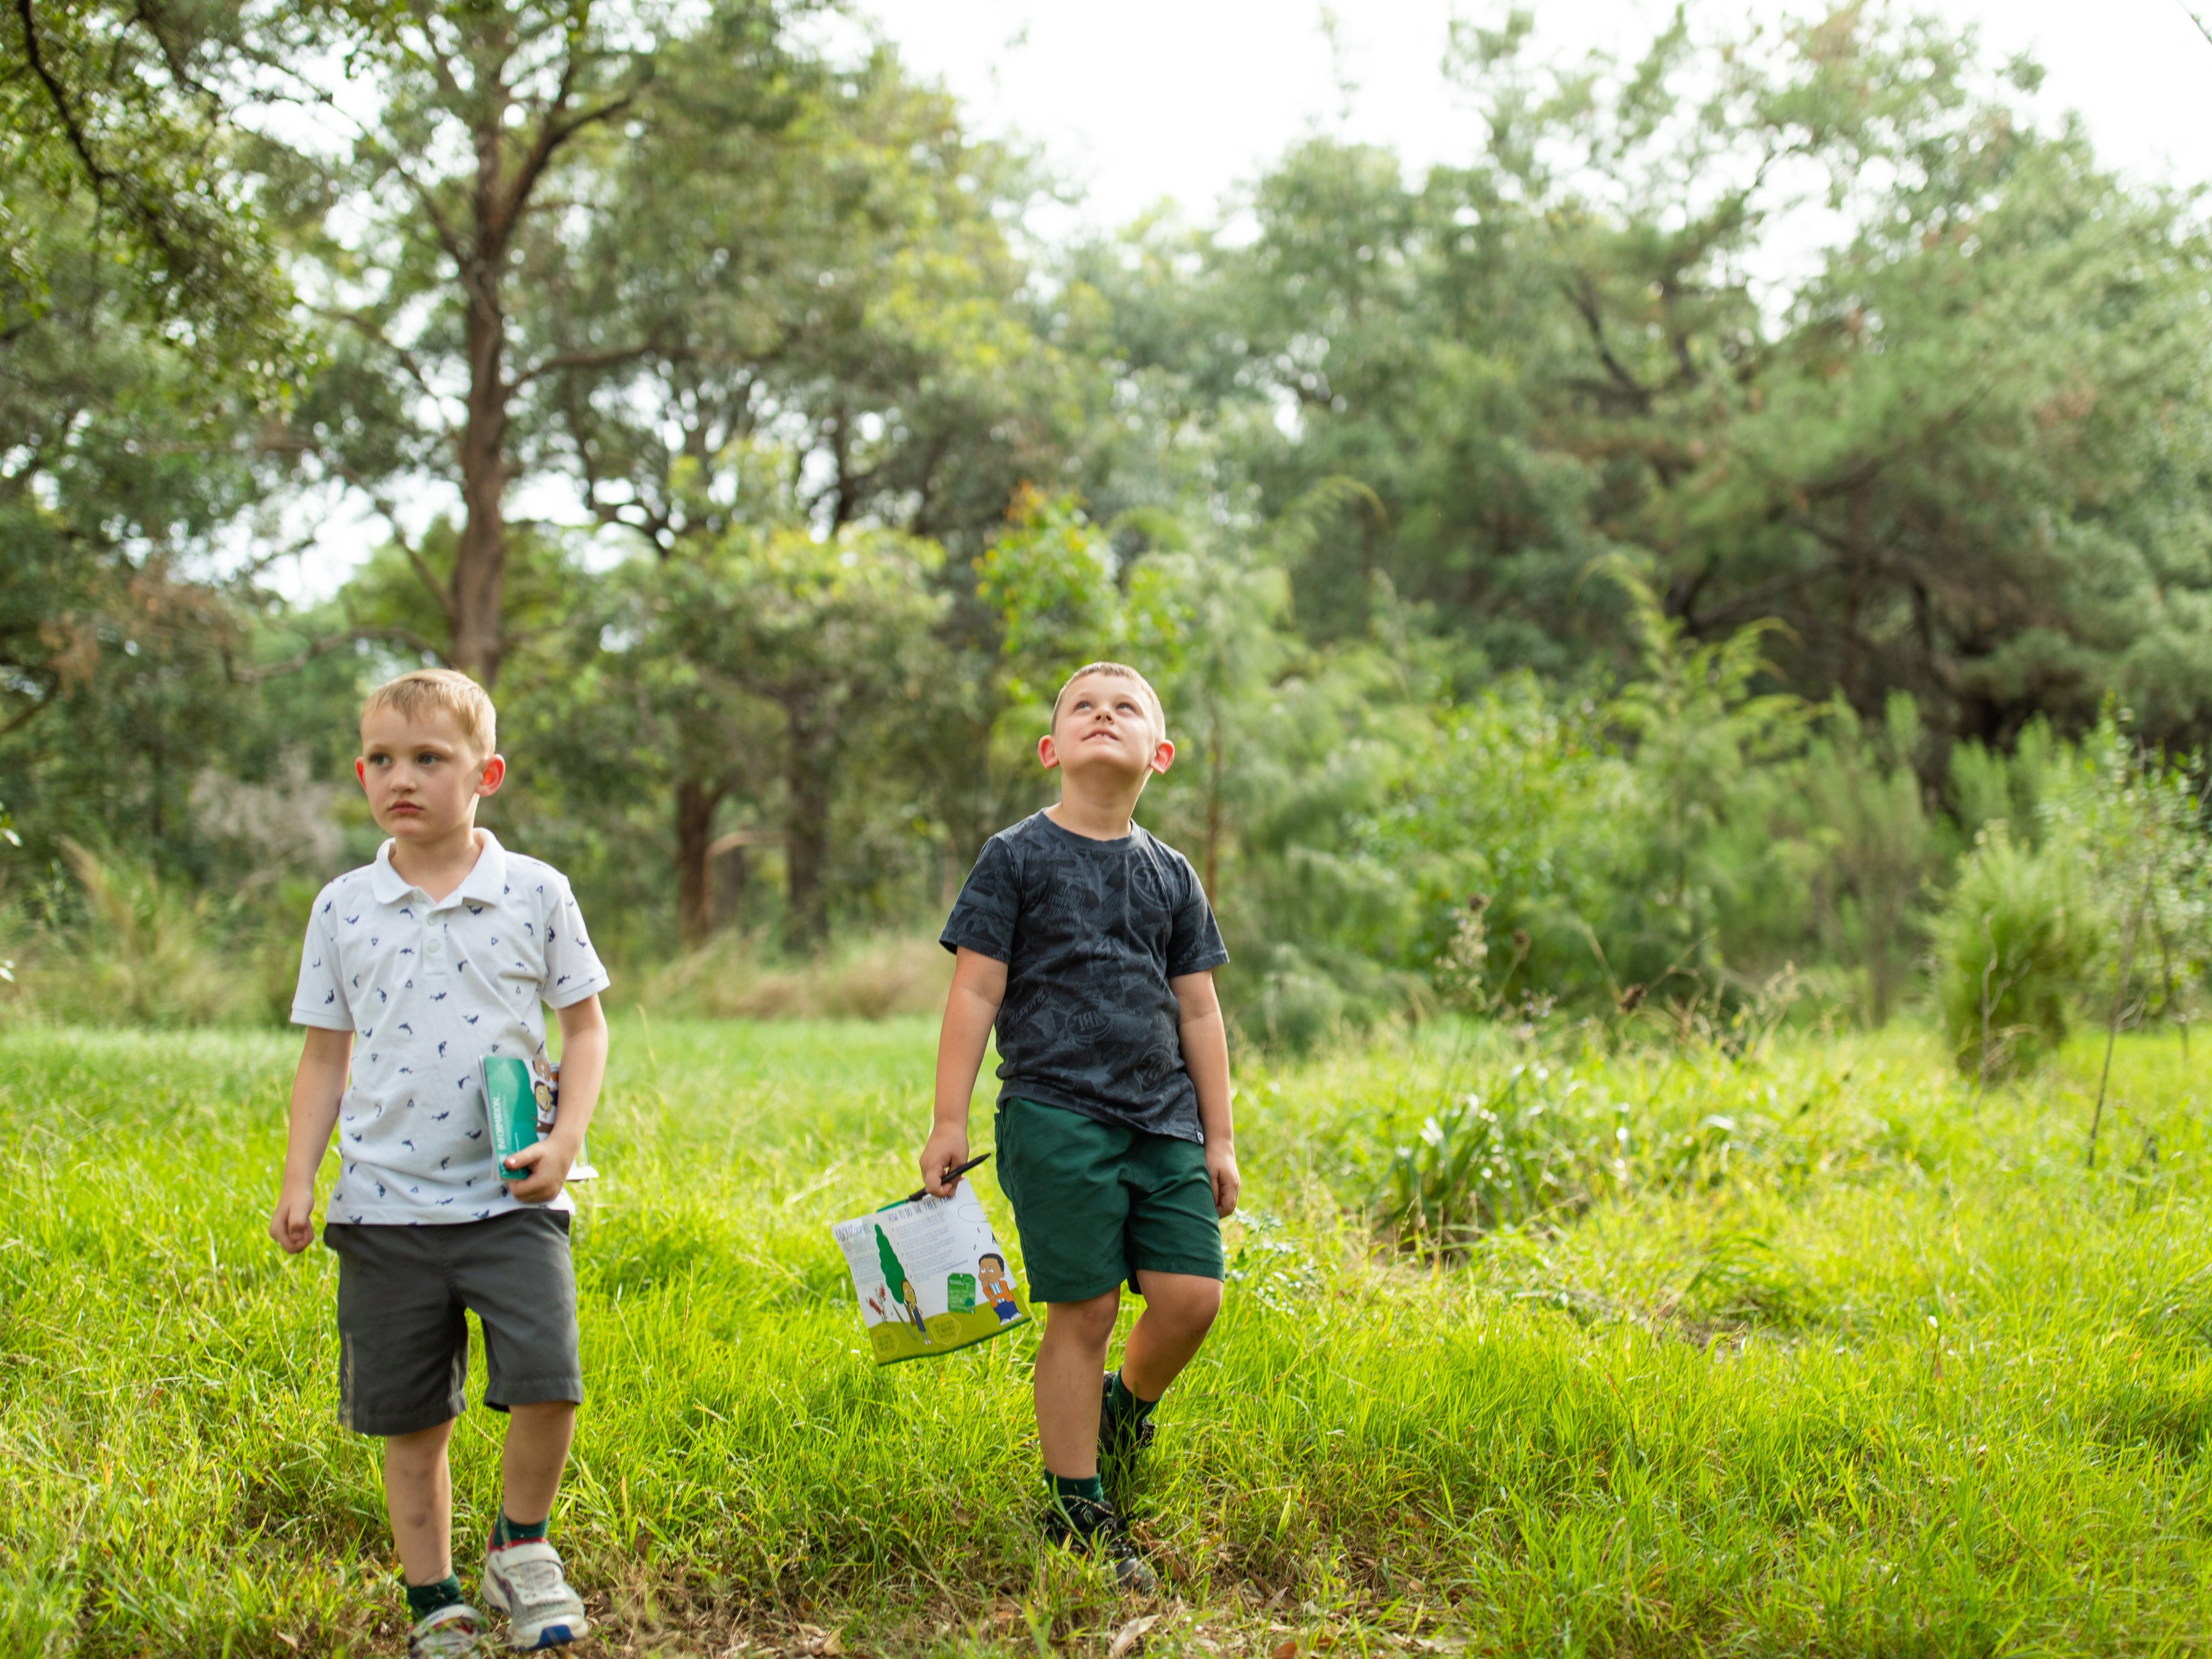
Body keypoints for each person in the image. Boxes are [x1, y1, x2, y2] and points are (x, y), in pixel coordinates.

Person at [267, 669, 610, 1656]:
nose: (400, 777)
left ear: (486, 774)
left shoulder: (535, 892)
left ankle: (522, 1547)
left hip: (513, 1195)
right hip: (383, 1207)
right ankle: (435, 1599)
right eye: (381, 759)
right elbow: (324, 1053)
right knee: (410, 1420)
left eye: (428, 759)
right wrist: (301, 1178)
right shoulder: (344, 907)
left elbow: (584, 1031)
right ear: (360, 772)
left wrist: (567, 1138)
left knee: (548, 1379)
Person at [918, 661, 1238, 1593]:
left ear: (1159, 754)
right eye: (1083, 707)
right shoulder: (1015, 855)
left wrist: (1216, 1137)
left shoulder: (1171, 873)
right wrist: (947, 1117)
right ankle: (1076, 1506)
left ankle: (1122, 1411)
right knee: (1086, 1307)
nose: (1104, 714)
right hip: (1055, 1113)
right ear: (1053, 749)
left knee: (1191, 1297)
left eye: (1125, 706)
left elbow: (1200, 1012)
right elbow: (975, 987)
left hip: (1165, 1123)